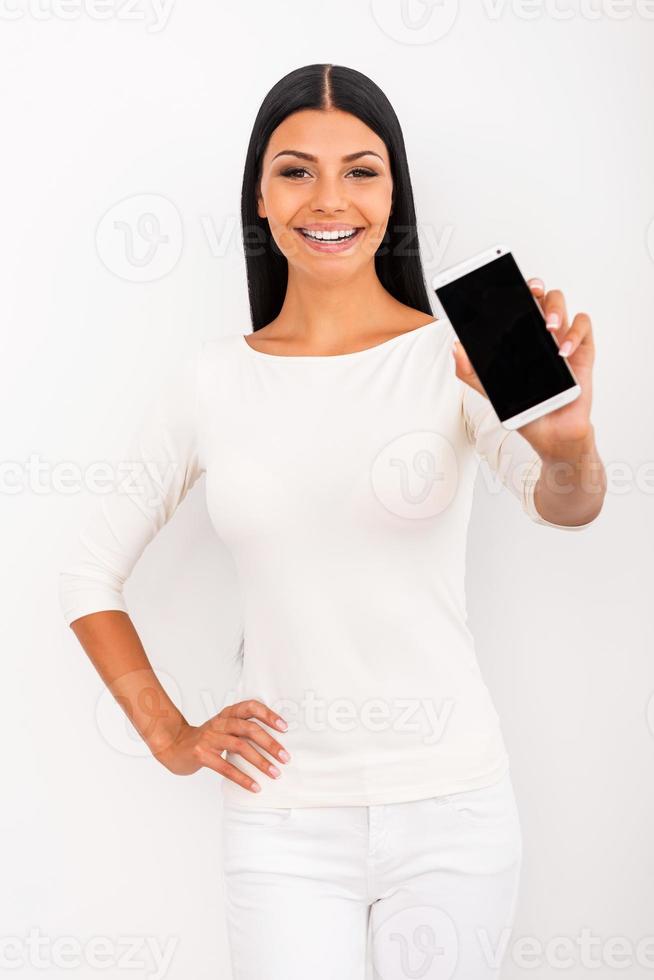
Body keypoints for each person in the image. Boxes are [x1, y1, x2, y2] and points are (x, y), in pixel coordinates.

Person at [58, 63, 606, 980]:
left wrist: (567, 446)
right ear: (261, 200)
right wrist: (170, 734)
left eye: (361, 169)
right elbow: (85, 572)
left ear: (394, 195)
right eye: (295, 170)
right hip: (282, 820)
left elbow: (569, 505)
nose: (329, 198)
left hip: (454, 810)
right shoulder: (211, 380)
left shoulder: (469, 346)